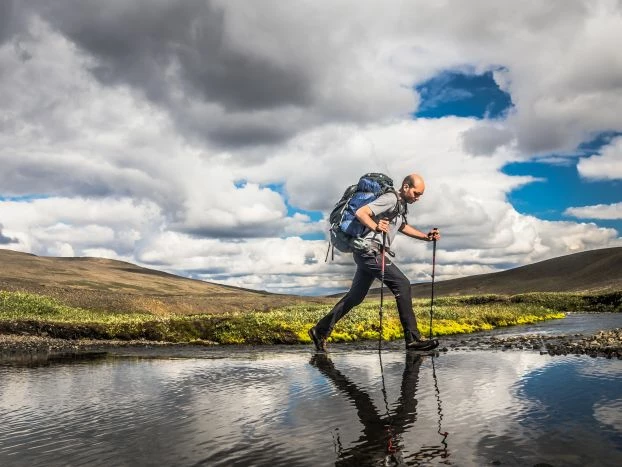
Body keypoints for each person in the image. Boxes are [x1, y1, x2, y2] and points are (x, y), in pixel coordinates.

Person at [309, 173, 441, 351]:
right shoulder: (390, 199)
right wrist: (375, 226)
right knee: (402, 284)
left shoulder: (400, 206)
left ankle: (320, 331)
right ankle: (413, 339)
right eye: (416, 193)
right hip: (370, 252)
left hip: (370, 252)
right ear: (406, 186)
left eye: (420, 195)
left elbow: (401, 226)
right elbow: (361, 212)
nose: (418, 198)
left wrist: (426, 237)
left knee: (355, 297)